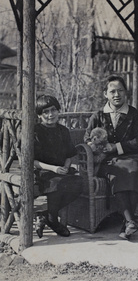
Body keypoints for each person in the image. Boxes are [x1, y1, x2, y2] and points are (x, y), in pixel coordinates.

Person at [84, 75, 138, 240]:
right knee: (120, 172)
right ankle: (130, 221)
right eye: (112, 91)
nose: (117, 95)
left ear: (126, 93)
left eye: (121, 91)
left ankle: (128, 223)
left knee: (135, 170)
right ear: (105, 94)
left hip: (132, 157)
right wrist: (96, 145)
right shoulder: (98, 116)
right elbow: (86, 138)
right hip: (107, 161)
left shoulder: (133, 114)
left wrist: (116, 147)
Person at [34, 94, 82, 238]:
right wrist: (54, 168)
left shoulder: (63, 131)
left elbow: (69, 154)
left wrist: (66, 167)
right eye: (45, 112)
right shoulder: (36, 131)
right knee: (57, 182)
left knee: (80, 184)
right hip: (42, 171)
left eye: (53, 110)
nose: (50, 115)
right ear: (40, 115)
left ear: (58, 110)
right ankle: (53, 220)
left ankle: (46, 215)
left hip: (62, 171)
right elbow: (32, 161)